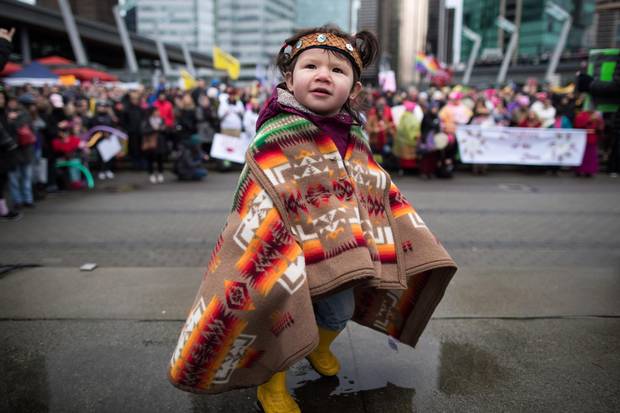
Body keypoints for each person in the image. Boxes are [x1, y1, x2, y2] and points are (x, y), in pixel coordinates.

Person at [167, 25, 457, 413]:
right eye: (311, 66)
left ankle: (318, 345)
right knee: (280, 319)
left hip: (339, 248)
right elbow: (254, 197)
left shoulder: (355, 134)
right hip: (284, 255)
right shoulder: (275, 134)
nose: (323, 75)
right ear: (290, 77)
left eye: (338, 70)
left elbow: (369, 186)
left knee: (340, 311)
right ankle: (272, 383)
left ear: (354, 89)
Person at [141, 107, 167, 183]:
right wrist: (154, 129)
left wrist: (163, 129)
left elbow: (165, 131)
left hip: (160, 142)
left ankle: (160, 173)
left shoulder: (162, 120)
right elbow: (143, 131)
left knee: (160, 159)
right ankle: (151, 174)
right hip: (150, 142)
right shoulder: (147, 120)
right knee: (150, 159)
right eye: (156, 111)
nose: (158, 113)